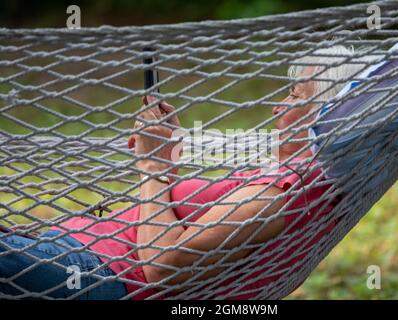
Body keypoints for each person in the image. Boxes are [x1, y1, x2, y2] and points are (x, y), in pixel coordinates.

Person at [0, 46, 368, 299]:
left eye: (292, 94)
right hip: (69, 250)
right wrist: (165, 158)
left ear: (329, 114)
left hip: (94, 272)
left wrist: (154, 168)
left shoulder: (281, 193)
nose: (276, 107)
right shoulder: (284, 178)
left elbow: (163, 265)